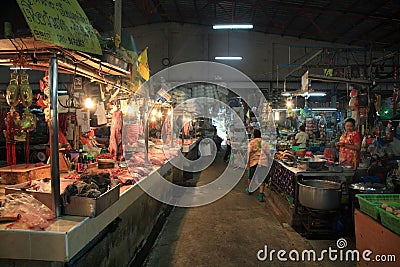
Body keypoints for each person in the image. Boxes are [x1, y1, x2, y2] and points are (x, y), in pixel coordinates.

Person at [246, 129, 271, 202]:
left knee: (250, 177)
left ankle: (250, 190)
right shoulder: (264, 142)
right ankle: (260, 195)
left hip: (253, 163)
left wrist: (247, 164)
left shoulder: (251, 143)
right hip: (263, 163)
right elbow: (268, 153)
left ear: (254, 135)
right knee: (261, 179)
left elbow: (248, 154)